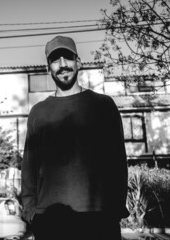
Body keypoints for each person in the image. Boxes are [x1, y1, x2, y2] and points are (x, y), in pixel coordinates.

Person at [21, 35, 129, 240]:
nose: (62, 65)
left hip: (99, 220)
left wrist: (114, 211)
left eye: (67, 58)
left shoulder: (103, 106)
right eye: (55, 60)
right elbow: (29, 169)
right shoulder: (38, 113)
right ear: (48, 68)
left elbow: (118, 163)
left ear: (78, 62)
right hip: (50, 221)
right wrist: (31, 213)